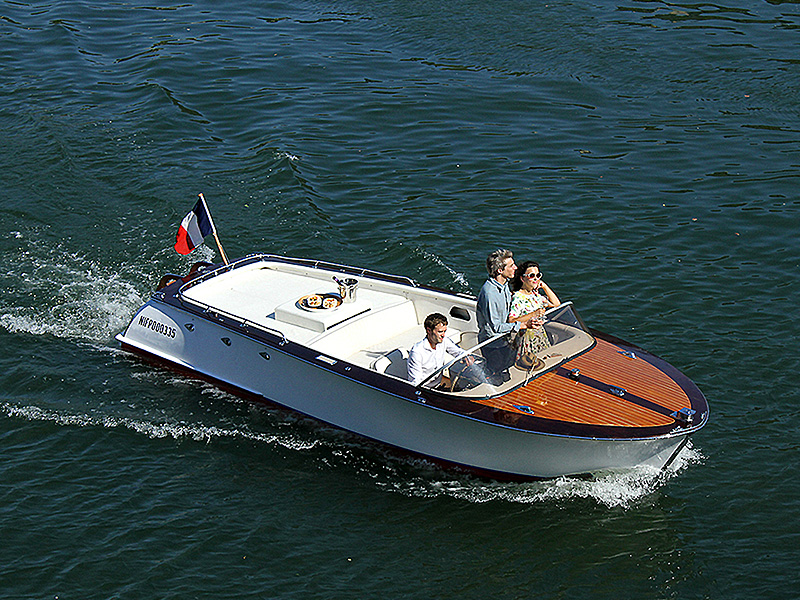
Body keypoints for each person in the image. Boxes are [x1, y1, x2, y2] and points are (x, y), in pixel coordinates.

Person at [476, 249, 534, 382]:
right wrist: (523, 325)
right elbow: (496, 327)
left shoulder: (504, 285)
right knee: (497, 379)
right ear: (500, 271)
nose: (516, 268)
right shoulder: (490, 294)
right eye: (511, 265)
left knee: (507, 374)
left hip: (506, 340)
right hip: (493, 344)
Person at [509, 261, 561, 368]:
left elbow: (556, 304)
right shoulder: (518, 297)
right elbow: (511, 320)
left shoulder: (535, 294)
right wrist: (534, 314)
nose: (535, 278)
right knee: (532, 367)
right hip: (527, 340)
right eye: (531, 276)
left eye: (538, 275)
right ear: (523, 279)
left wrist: (544, 286)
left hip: (540, 336)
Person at [407, 313, 469, 386]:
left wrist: (467, 356)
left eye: (444, 331)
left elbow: (458, 352)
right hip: (426, 390)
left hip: (439, 384)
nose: (443, 335)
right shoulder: (417, 352)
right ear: (429, 330)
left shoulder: (444, 341)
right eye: (440, 332)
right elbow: (415, 382)